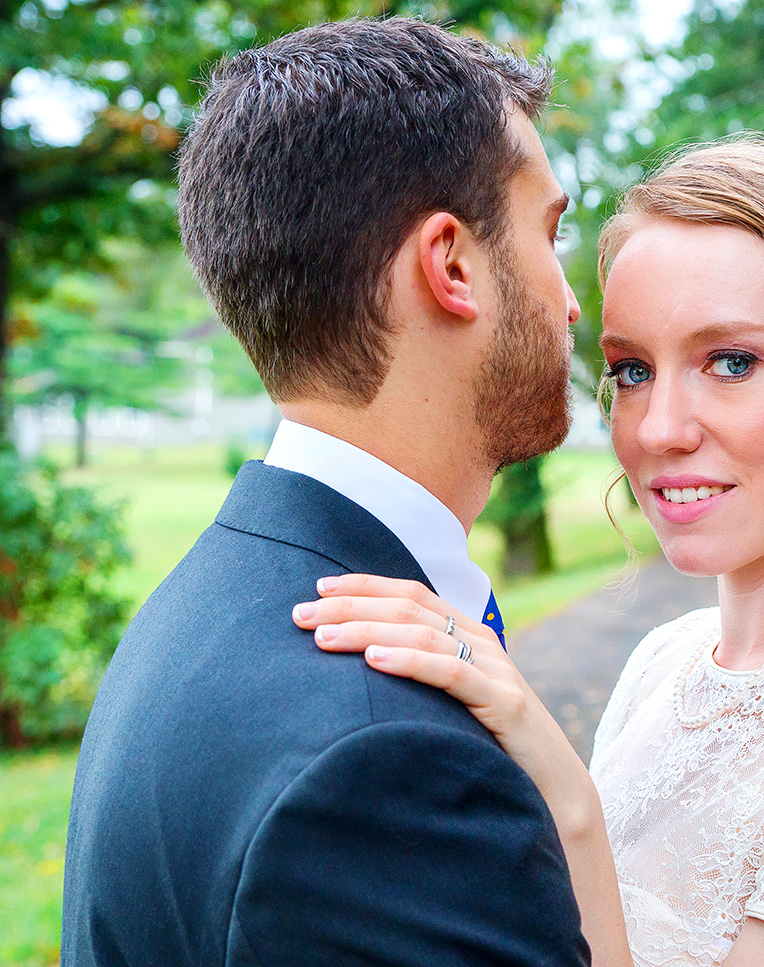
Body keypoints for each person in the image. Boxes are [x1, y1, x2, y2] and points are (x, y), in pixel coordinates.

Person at [293, 138, 764, 967]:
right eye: (632, 370)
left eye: (731, 362)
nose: (660, 428)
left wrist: (567, 801)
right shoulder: (663, 662)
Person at [62, 19, 591, 967]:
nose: (570, 299)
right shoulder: (385, 768)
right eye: (549, 233)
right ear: (452, 264)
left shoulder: (201, 606)